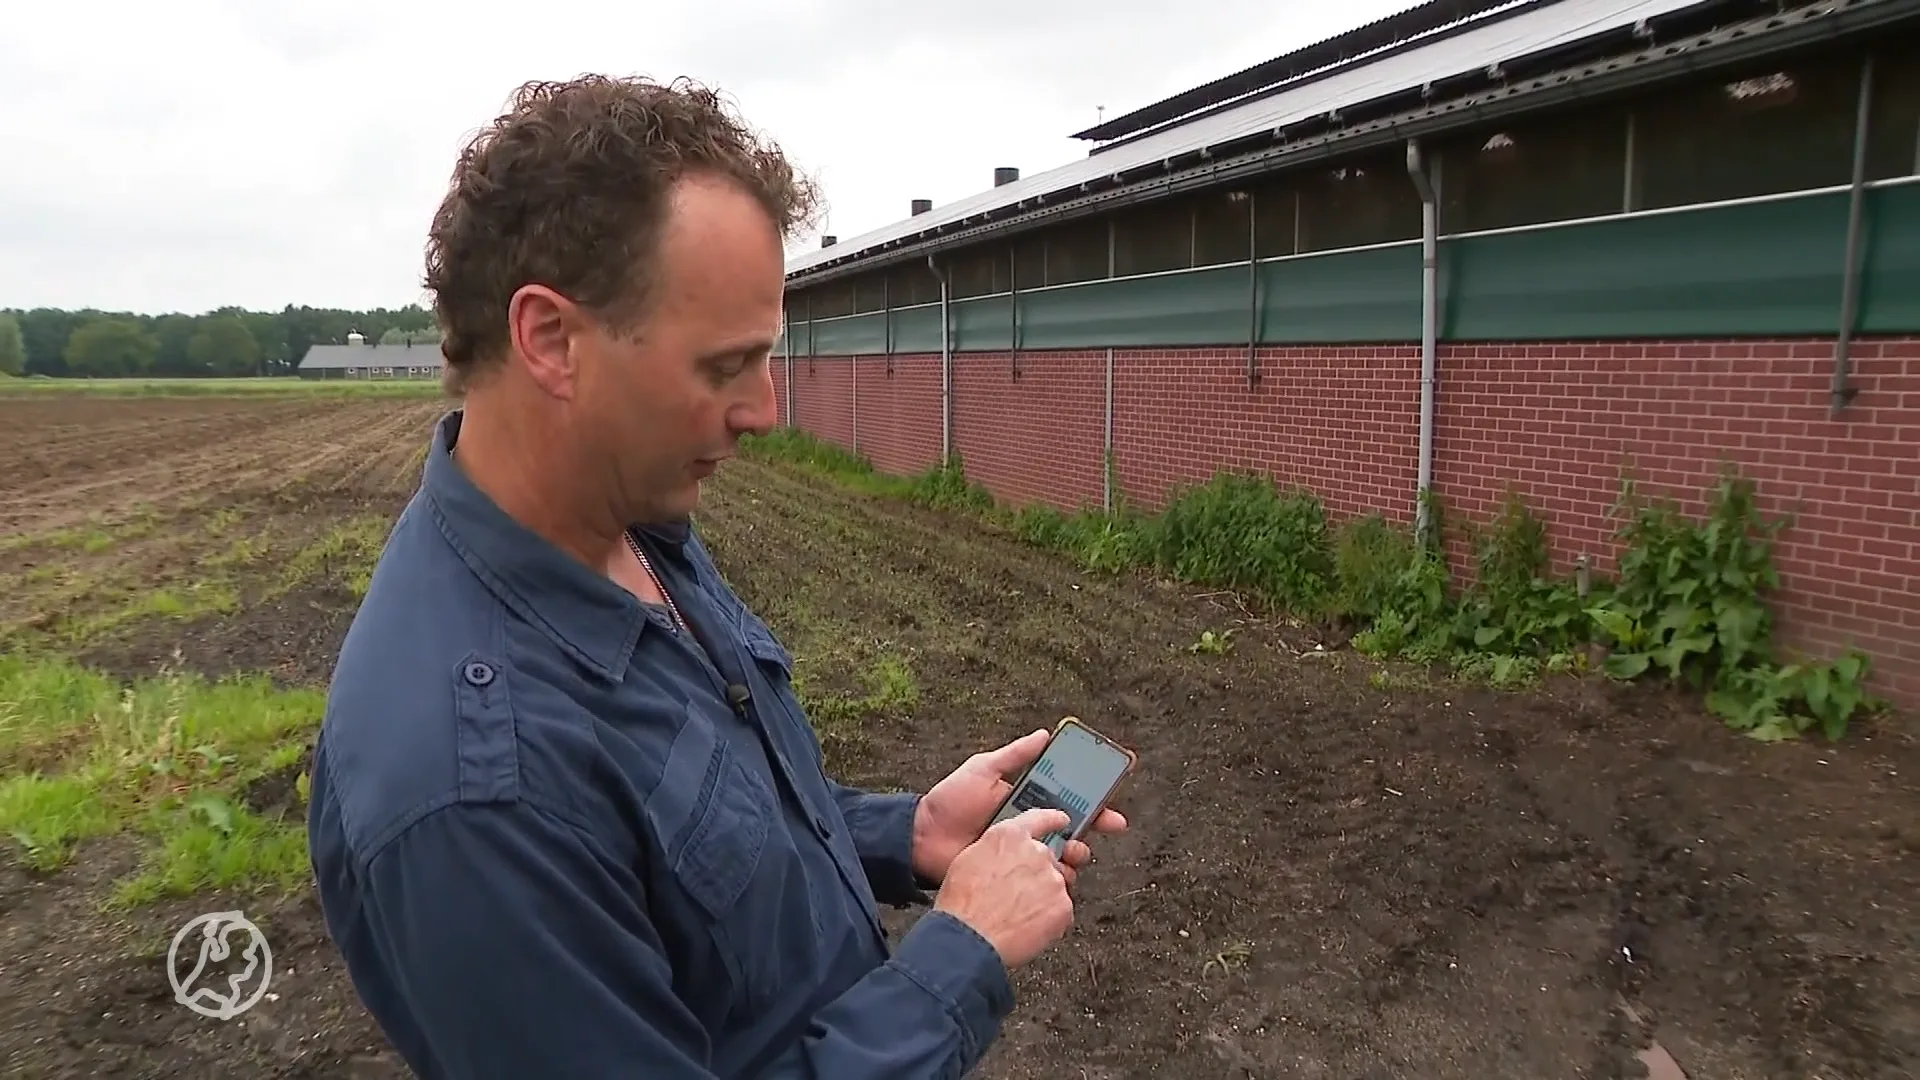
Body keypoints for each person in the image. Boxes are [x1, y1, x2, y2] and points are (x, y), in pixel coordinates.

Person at [304, 73, 1127, 1080]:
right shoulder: (476, 796)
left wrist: (901, 834)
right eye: (724, 365)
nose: (765, 410)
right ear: (551, 340)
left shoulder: (631, 527)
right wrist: (960, 955)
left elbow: (698, 841)